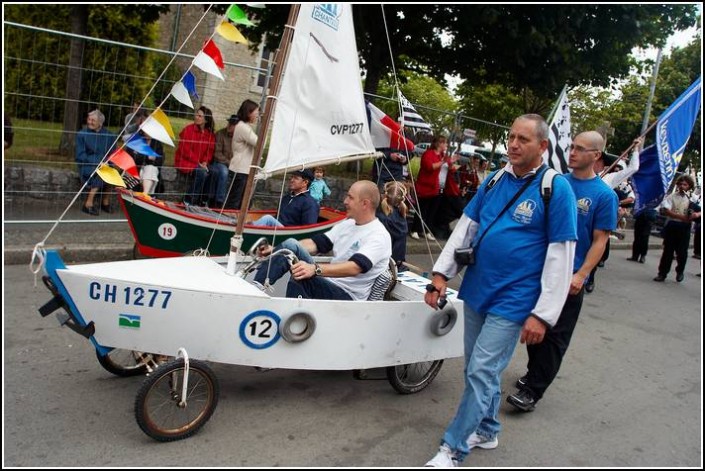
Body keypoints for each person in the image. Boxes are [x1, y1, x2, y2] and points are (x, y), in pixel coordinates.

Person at [423, 114, 577, 467]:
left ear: (542, 146)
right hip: (478, 290)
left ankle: (453, 448)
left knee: (481, 370)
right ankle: (488, 430)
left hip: (515, 299)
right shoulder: (494, 180)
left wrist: (542, 314)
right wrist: (440, 275)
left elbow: (561, 255)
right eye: (511, 137)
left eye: (523, 139)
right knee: (476, 371)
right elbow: (466, 228)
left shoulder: (556, 188)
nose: (513, 144)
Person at [506, 131, 618, 413]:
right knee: (534, 328)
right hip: (541, 271)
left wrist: (581, 275)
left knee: (555, 337)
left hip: (571, 279)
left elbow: (600, 240)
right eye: (572, 147)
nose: (572, 153)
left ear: (596, 156)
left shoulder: (604, 195)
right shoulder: (555, 183)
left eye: (581, 149)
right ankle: (535, 372)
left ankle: (533, 390)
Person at [252, 180, 391, 300]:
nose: (345, 201)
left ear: (365, 204)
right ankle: (254, 291)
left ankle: (292, 322)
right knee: (290, 244)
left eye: (350, 197)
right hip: (329, 283)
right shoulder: (347, 224)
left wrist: (315, 269)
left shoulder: (378, 235)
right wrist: (278, 250)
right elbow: (315, 244)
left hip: (348, 296)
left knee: (301, 275)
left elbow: (355, 267)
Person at [410, 135, 456, 241]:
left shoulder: (443, 156)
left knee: (431, 211)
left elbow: (451, 169)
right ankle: (415, 229)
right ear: (439, 143)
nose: (446, 145)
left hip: (437, 187)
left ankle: (426, 230)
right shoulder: (428, 154)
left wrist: (450, 163)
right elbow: (429, 167)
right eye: (445, 143)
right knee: (421, 209)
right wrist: (444, 161)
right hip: (425, 186)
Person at [653, 175, 698, 282]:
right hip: (673, 225)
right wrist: (681, 217)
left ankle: (680, 271)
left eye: (685, 184)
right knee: (668, 251)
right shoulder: (672, 197)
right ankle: (662, 273)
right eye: (680, 184)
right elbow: (666, 211)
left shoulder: (693, 198)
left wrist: (695, 214)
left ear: (689, 186)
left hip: (685, 228)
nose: (682, 186)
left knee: (682, 252)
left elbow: (697, 212)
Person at [74, 109, 117, 215]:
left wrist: (109, 162)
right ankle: (88, 204)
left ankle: (105, 202)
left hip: (105, 165)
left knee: (113, 173)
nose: (89, 122)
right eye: (89, 119)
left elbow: (113, 154)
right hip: (87, 165)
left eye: (93, 120)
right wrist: (98, 162)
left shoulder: (110, 136)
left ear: (100, 123)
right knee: (101, 172)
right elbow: (80, 155)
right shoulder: (81, 134)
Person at [174, 106, 216, 205]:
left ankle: (203, 200)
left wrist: (205, 161)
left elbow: (209, 151)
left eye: (200, 116)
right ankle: (188, 200)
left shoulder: (209, 134)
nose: (196, 117)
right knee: (202, 173)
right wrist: (198, 162)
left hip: (200, 163)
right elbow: (185, 150)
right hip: (185, 161)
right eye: (196, 115)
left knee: (214, 172)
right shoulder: (188, 130)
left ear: (206, 120)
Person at [253, 169, 320, 227]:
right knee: (266, 219)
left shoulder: (310, 203)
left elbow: (308, 228)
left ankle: (248, 229)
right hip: (276, 231)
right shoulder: (286, 198)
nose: (291, 180)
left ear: (305, 182)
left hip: (290, 235)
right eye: (291, 177)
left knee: (268, 218)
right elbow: (278, 217)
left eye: (296, 178)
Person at [225, 99, 260, 209]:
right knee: (235, 201)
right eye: (256, 113)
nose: (257, 116)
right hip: (240, 170)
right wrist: (265, 124)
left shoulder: (244, 126)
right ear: (249, 112)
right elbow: (260, 143)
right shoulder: (243, 127)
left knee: (242, 201)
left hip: (243, 169)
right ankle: (228, 221)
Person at [376, 180, 408, 269]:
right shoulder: (402, 216)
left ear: (384, 195)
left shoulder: (379, 217)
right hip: (397, 264)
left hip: (381, 264)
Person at [209, 114, 238, 207]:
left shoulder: (239, 138)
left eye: (233, 124)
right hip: (219, 162)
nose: (230, 125)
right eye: (230, 122)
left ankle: (236, 204)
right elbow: (217, 154)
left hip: (234, 164)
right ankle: (219, 202)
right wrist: (229, 162)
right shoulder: (220, 134)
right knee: (224, 172)